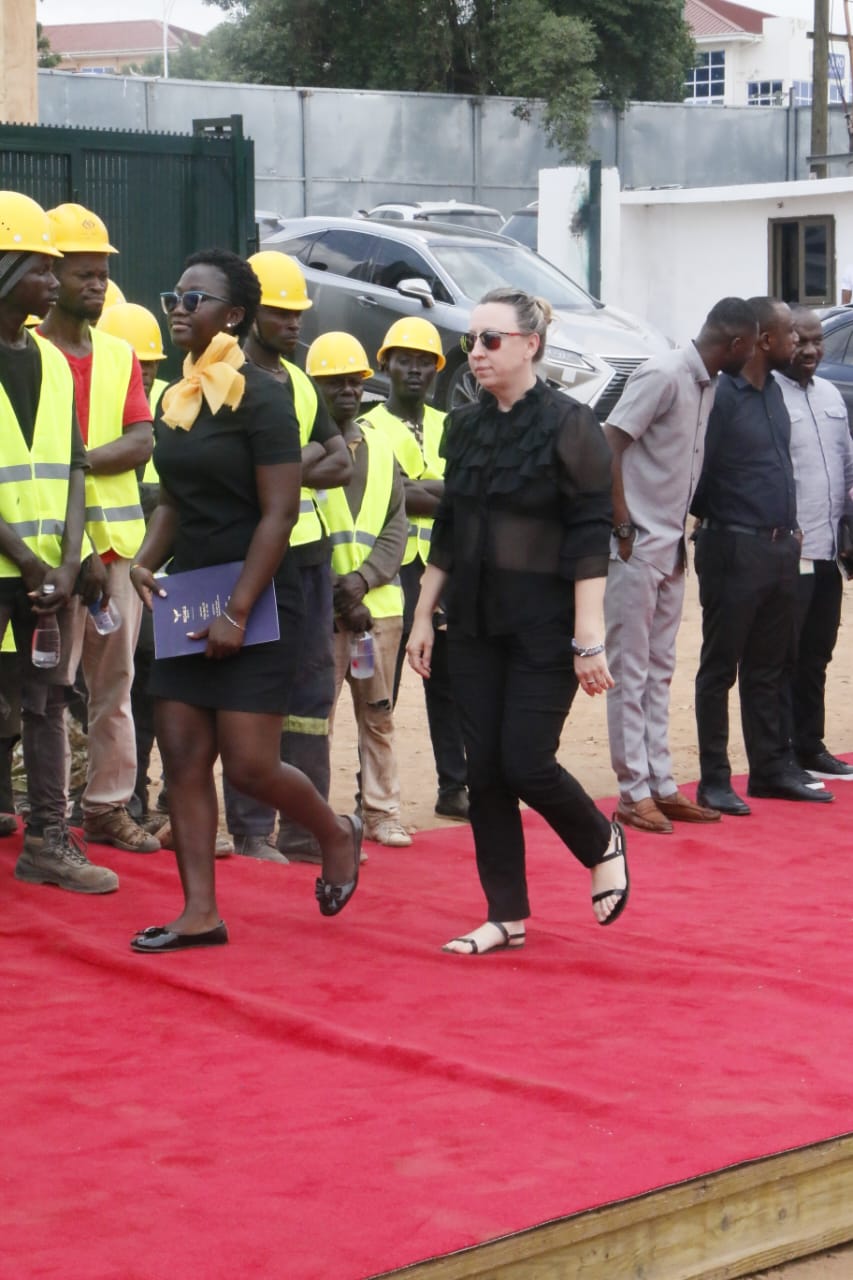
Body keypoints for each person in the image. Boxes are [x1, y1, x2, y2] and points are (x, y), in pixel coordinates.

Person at [128, 249, 362, 952]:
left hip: (257, 594)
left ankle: (333, 833)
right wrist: (145, 561)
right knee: (182, 755)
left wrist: (236, 610)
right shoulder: (176, 397)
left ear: (233, 316)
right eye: (174, 295)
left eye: (193, 298)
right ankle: (200, 913)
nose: (178, 308)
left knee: (251, 764)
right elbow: (175, 501)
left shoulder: (263, 397)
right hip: (188, 592)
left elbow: (280, 513)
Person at [407, 287, 629, 955]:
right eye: (470, 340)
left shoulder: (571, 424)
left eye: (490, 339)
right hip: (474, 622)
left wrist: (588, 639)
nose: (475, 352)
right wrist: (423, 615)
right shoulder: (464, 425)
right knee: (484, 774)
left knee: (526, 763)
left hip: (544, 624)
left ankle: (600, 841)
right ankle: (505, 915)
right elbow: (449, 528)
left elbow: (589, 536)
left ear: (530, 344)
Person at [604, 297, 758, 833]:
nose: (753, 357)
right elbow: (609, 444)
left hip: (670, 549)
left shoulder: (706, 384)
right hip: (636, 545)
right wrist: (622, 526)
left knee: (659, 670)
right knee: (629, 671)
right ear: (735, 343)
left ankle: (661, 784)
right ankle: (632, 792)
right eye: (750, 347)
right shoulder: (664, 374)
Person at [0, 190, 117, 893]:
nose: (53, 279)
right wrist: (28, 558)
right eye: (41, 267)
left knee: (46, 704)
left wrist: (71, 561)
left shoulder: (46, 360)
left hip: (47, 576)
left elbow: (73, 467)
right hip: (17, 566)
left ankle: (48, 840)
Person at [221, 250, 352, 864]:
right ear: (250, 313)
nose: (294, 323)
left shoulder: (298, 381)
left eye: (299, 312)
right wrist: (302, 462)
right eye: (281, 312)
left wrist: (278, 470)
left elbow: (341, 460)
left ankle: (303, 831)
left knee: (310, 694)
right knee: (254, 694)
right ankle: (251, 831)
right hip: (255, 558)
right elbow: (236, 474)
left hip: (307, 559)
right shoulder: (228, 376)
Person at [40, 204, 159, 855]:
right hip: (55, 553)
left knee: (114, 688)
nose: (97, 283)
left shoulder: (118, 355)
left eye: (102, 272)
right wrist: (78, 549)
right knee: (49, 690)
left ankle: (108, 807)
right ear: (49, 274)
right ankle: (49, 814)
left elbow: (141, 441)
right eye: (82, 273)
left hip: (117, 553)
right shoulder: (29, 354)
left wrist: (78, 458)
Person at [691, 296, 833, 814]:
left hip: (780, 547)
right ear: (765, 340)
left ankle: (770, 769)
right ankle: (714, 778)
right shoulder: (720, 397)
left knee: (771, 666)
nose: (799, 341)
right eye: (790, 333)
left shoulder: (773, 391)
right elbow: (699, 474)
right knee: (720, 667)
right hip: (734, 546)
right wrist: (726, 525)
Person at [362, 317, 469, 822]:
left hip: (444, 566)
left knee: (448, 683)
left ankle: (455, 787)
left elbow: (468, 493)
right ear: (386, 365)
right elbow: (392, 493)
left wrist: (418, 489)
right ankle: (371, 794)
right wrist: (440, 492)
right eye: (403, 360)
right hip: (393, 568)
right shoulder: (369, 427)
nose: (414, 370)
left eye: (425, 362)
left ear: (436, 370)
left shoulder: (451, 425)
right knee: (382, 689)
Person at [306, 331, 410, 848]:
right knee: (313, 721)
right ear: (314, 387)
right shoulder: (304, 453)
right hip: (320, 607)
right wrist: (336, 590)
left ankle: (381, 812)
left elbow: (397, 526)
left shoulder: (382, 449)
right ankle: (313, 816)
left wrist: (363, 581)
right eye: (335, 383)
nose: (347, 391)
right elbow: (293, 522)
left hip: (378, 608)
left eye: (354, 382)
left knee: (378, 717)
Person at [94, 301, 168, 826]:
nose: (144, 376)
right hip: (108, 560)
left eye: (152, 368)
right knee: (106, 689)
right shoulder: (95, 398)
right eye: (137, 366)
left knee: (145, 688)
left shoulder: (174, 410)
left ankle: (136, 795)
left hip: (156, 571)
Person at [774, 305, 853, 780]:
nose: (810, 350)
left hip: (828, 550)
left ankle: (810, 746)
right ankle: (781, 753)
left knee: (818, 653)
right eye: (799, 341)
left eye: (816, 341)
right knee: (784, 655)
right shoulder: (765, 397)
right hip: (788, 551)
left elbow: (846, 465)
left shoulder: (830, 394)